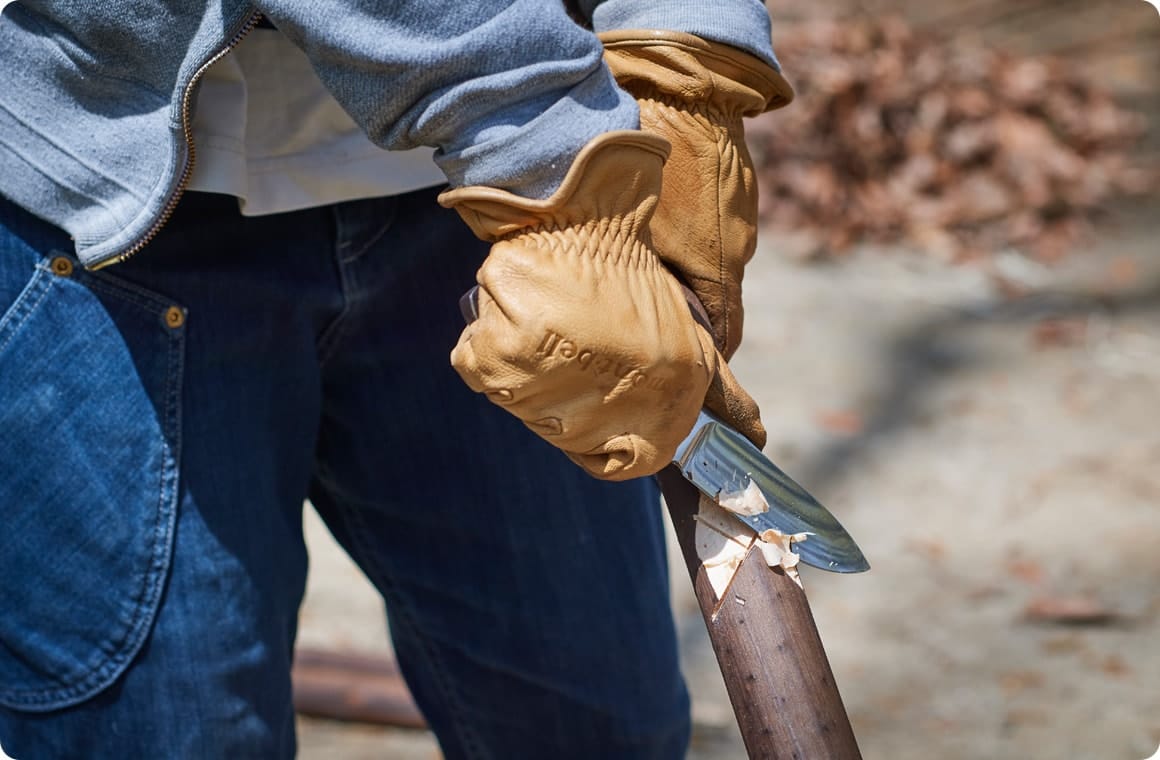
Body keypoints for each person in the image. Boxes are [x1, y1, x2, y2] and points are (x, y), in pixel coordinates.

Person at [0, 1, 791, 757]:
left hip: (473, 214)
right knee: (173, 733)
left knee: (600, 726)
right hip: (106, 202)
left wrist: (688, 55)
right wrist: (563, 178)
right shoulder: (549, 167)